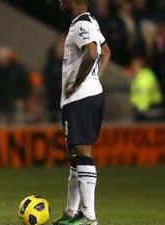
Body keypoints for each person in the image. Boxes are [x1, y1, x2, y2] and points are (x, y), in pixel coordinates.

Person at [53, 1, 111, 225]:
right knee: (76, 153)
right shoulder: (89, 21)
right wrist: (95, 78)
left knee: (82, 150)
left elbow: (92, 53)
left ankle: (89, 218)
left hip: (81, 97)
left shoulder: (82, 25)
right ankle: (72, 212)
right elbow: (106, 52)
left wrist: (79, 82)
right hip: (84, 96)